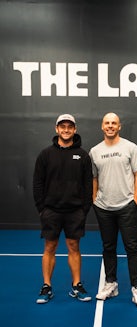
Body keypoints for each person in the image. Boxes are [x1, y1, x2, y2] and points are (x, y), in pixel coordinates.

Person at [89, 112, 137, 307]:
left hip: (126, 207)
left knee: (132, 248)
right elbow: (94, 178)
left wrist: (135, 200)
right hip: (103, 208)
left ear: (119, 126)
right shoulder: (94, 151)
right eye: (107, 123)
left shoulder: (130, 147)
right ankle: (111, 284)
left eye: (114, 123)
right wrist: (95, 200)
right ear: (102, 126)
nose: (110, 126)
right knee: (108, 247)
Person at [33, 114, 93, 303]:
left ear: (74, 130)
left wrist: (84, 209)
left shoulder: (83, 155)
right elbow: (37, 183)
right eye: (62, 126)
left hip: (75, 211)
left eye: (69, 127)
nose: (66, 130)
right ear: (56, 129)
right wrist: (42, 208)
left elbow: (88, 184)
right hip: (51, 210)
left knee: (74, 246)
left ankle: (76, 285)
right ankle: (46, 286)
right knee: (50, 247)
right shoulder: (45, 154)